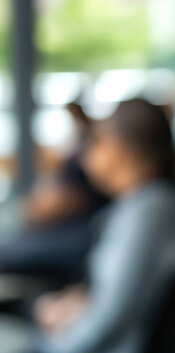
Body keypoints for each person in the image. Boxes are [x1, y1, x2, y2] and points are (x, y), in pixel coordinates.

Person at [26, 99, 175, 353]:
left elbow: (109, 321)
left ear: (122, 148)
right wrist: (79, 304)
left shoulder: (149, 213)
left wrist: (47, 346)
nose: (85, 154)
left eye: (97, 141)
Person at [0, 104, 109, 283]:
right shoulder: (79, 148)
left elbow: (67, 201)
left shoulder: (86, 158)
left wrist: (34, 208)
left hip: (71, 234)